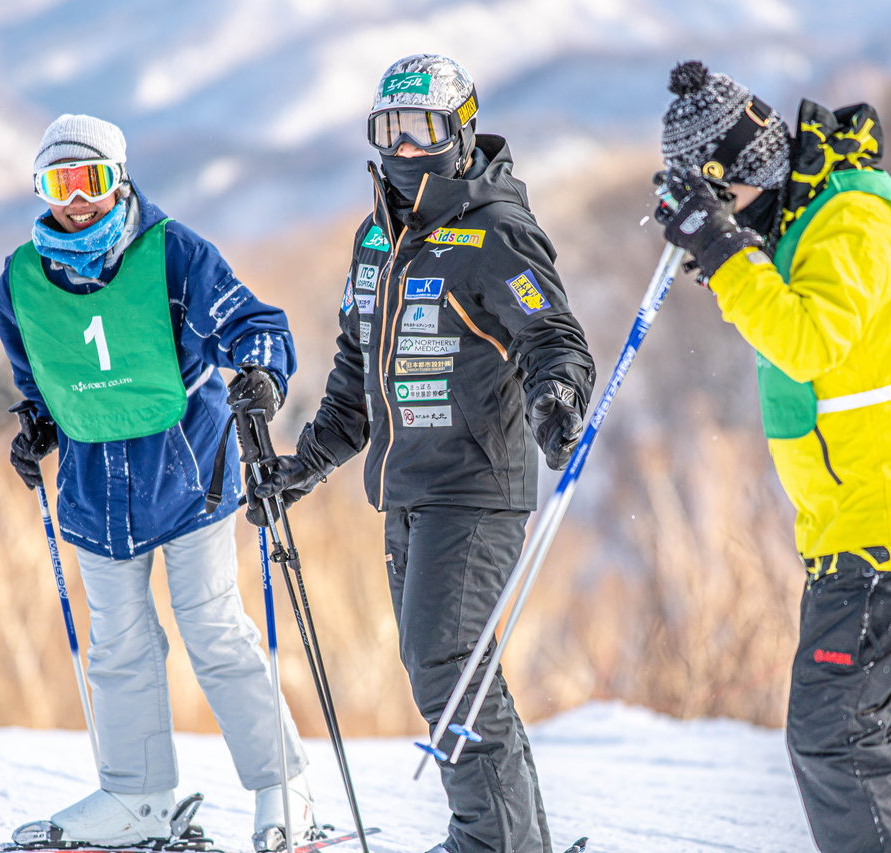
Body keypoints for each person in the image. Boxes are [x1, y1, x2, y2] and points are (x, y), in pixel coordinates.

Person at [249, 55, 595, 853]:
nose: (404, 149)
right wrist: (303, 464)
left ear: (460, 130)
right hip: (406, 492)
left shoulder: (495, 230)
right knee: (446, 666)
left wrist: (556, 398)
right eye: (388, 131)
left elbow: (554, 338)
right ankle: (518, 841)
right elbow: (353, 374)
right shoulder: (378, 238)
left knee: (444, 661)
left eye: (423, 130)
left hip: (475, 489)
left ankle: (490, 842)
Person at [653, 61, 891, 852]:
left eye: (722, 203)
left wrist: (731, 257)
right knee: (845, 735)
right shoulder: (808, 225)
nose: (732, 222)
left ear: (747, 179)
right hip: (859, 524)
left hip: (890, 522)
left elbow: (804, 340)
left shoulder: (850, 219)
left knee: (835, 736)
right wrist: (738, 255)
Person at [0, 113, 319, 853]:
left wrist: (262, 373)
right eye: (58, 183)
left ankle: (282, 784)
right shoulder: (21, 283)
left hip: (188, 478)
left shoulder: (172, 255)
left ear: (120, 178)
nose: (76, 200)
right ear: (40, 189)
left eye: (92, 180)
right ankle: (137, 796)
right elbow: (37, 375)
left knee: (214, 631)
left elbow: (254, 321)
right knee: (117, 647)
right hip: (93, 495)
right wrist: (37, 425)